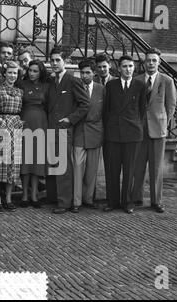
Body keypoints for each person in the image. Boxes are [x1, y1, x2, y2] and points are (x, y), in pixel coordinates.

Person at [133, 48, 176, 213]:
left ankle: (156, 201)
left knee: (156, 167)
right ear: (144, 63)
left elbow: (171, 105)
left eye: (154, 60)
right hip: (139, 130)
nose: (151, 63)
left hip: (158, 131)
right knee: (138, 166)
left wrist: (163, 122)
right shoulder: (136, 80)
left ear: (159, 63)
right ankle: (136, 198)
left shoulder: (167, 81)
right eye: (148, 60)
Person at [47, 47, 89, 214]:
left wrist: (70, 119)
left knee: (63, 165)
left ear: (66, 62)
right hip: (51, 127)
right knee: (53, 163)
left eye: (58, 60)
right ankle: (54, 197)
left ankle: (65, 202)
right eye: (52, 60)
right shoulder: (51, 81)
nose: (55, 63)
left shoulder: (73, 81)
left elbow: (85, 104)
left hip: (64, 129)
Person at [103, 55, 146, 214]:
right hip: (113, 133)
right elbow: (106, 111)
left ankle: (128, 202)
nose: (128, 69)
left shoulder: (140, 86)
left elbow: (142, 111)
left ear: (134, 68)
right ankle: (112, 201)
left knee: (129, 170)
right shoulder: (111, 85)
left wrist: (135, 125)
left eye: (130, 66)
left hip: (132, 134)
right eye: (124, 66)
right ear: (119, 68)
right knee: (112, 169)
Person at [0, 61, 24, 213]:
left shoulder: (20, 92)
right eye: (9, 72)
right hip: (0, 127)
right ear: (4, 73)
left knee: (12, 166)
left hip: (15, 128)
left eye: (15, 73)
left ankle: (8, 199)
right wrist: (0, 120)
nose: (12, 75)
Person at [72, 59, 104, 212]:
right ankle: (76, 201)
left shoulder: (101, 89)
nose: (84, 76)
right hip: (78, 131)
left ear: (94, 73)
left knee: (92, 169)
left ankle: (88, 198)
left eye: (88, 73)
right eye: (82, 73)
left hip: (95, 132)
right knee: (78, 168)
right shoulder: (75, 87)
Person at [18, 60, 49, 208]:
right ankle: (24, 195)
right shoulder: (22, 84)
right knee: (25, 159)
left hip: (41, 123)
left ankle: (35, 195)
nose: (32, 73)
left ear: (41, 72)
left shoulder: (47, 86)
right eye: (30, 70)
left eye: (35, 71)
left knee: (37, 160)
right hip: (25, 122)